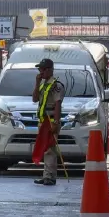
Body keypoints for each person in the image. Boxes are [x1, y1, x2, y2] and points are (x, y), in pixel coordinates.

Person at [31, 58, 66, 186]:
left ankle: (49, 177)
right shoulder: (42, 85)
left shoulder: (56, 86)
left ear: (50, 69)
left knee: (50, 149)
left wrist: (55, 122)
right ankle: (47, 175)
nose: (41, 72)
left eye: (44, 69)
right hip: (43, 121)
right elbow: (35, 99)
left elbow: (58, 105)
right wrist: (37, 83)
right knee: (45, 148)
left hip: (51, 121)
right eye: (40, 69)